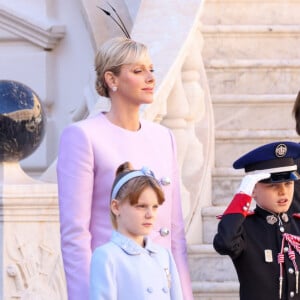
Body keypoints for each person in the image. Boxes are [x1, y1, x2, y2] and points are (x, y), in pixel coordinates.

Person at [56, 37, 193, 300]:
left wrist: (185, 296)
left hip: (161, 285)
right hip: (114, 285)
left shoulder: (164, 137)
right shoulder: (83, 136)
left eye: (151, 69)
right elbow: (75, 235)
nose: (150, 77)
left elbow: (175, 236)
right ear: (112, 79)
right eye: (138, 71)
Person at [213, 141, 300, 300]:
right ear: (253, 189)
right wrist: (242, 195)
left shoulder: (297, 225)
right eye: (273, 186)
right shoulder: (245, 228)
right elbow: (224, 243)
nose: (283, 192)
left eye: (288, 183)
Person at [90, 162, 183, 300]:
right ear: (116, 207)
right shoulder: (107, 256)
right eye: (141, 206)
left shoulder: (164, 255)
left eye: (155, 206)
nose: (150, 214)